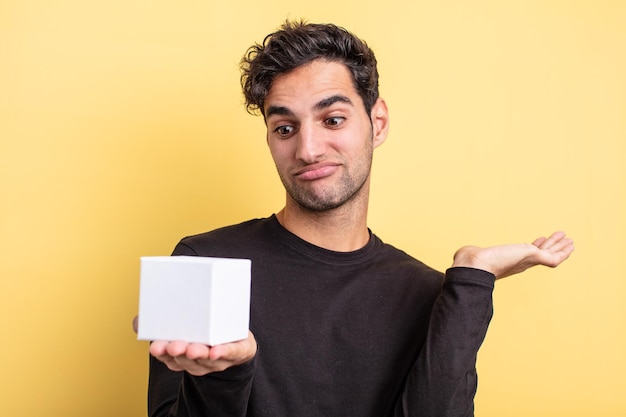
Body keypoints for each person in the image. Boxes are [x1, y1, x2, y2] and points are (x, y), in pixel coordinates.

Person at [140, 20, 574, 417]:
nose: (308, 149)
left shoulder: (427, 292)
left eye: (332, 119)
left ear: (377, 122)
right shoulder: (204, 264)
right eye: (285, 128)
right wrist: (223, 375)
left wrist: (470, 283)